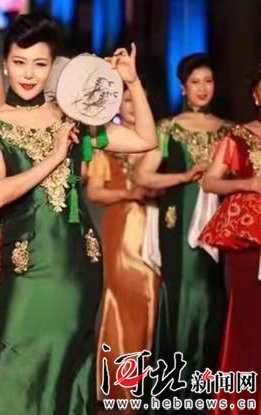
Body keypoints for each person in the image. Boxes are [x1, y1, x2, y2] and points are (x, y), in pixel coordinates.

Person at [0, 12, 157, 414]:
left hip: (75, 261)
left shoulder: (74, 118)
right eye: (19, 62)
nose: (28, 73)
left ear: (53, 67)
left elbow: (144, 139)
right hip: (26, 263)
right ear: (4, 64)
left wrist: (133, 83)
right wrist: (53, 158)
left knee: (65, 365)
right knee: (5, 365)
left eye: (40, 63)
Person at [135, 53, 230, 409]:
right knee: (178, 295)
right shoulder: (167, 129)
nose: (203, 88)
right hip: (176, 223)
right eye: (195, 82)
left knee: (209, 296)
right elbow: (143, 176)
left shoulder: (228, 131)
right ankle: (172, 394)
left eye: (208, 81)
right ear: (183, 87)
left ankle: (206, 393)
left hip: (216, 226)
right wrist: (183, 177)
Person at [86, 85, 161, 404]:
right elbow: (94, 192)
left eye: (135, 100)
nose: (131, 106)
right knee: (122, 298)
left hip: (155, 226)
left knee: (152, 298)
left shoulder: (158, 141)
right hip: (120, 227)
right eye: (125, 100)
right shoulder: (106, 145)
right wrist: (128, 193)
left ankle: (149, 385)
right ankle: (118, 387)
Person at [199, 65, 261, 415]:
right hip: (250, 238)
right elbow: (210, 182)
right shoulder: (236, 137)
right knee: (248, 315)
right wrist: (248, 184)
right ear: (255, 95)